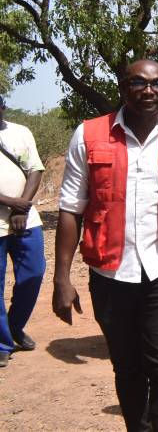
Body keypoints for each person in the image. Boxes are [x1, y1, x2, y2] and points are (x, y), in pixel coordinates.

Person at [52, 59, 158, 432]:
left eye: (157, 83)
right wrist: (62, 279)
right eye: (138, 82)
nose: (149, 90)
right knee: (127, 367)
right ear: (123, 86)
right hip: (110, 274)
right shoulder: (90, 134)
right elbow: (70, 209)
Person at [0, 96, 46, 367]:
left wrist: (22, 208)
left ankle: (15, 326)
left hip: (26, 220)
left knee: (33, 274)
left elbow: (35, 169)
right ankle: (3, 343)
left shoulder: (20, 131)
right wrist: (10, 203)